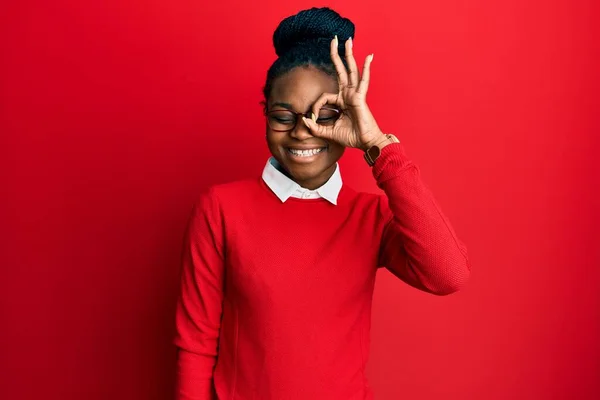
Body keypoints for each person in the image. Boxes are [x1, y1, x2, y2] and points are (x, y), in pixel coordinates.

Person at [174, 7, 470, 400]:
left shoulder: (370, 218)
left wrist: (378, 147)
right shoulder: (221, 209)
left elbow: (448, 274)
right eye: (284, 116)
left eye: (323, 115)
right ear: (265, 114)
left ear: (346, 117)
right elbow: (196, 345)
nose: (302, 132)